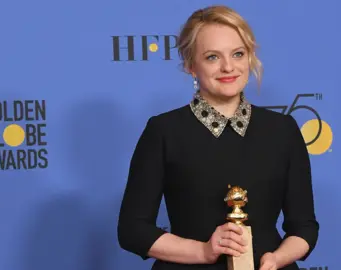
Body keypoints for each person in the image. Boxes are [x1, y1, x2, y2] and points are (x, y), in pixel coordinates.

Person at [117, 5, 319, 270]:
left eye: (238, 54)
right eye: (212, 57)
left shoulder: (283, 130)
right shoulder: (164, 131)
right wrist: (203, 251)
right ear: (191, 65)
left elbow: (304, 227)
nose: (228, 67)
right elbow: (132, 230)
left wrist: (276, 259)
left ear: (249, 57)